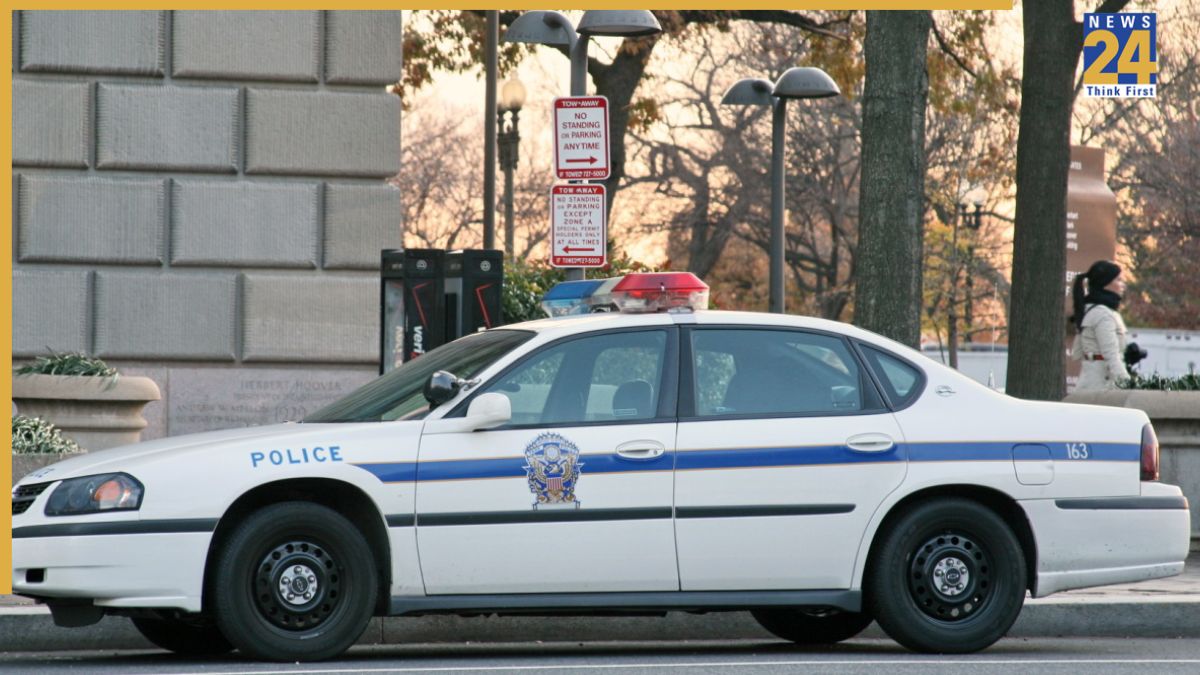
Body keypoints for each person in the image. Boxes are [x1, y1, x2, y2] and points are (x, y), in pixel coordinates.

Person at [1069, 260, 1130, 390]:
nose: (1123, 285)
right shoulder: (1103, 314)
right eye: (1118, 280)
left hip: (1091, 381)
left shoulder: (1092, 309)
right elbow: (1111, 354)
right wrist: (1126, 382)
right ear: (1105, 283)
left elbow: (1078, 352)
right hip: (1101, 385)